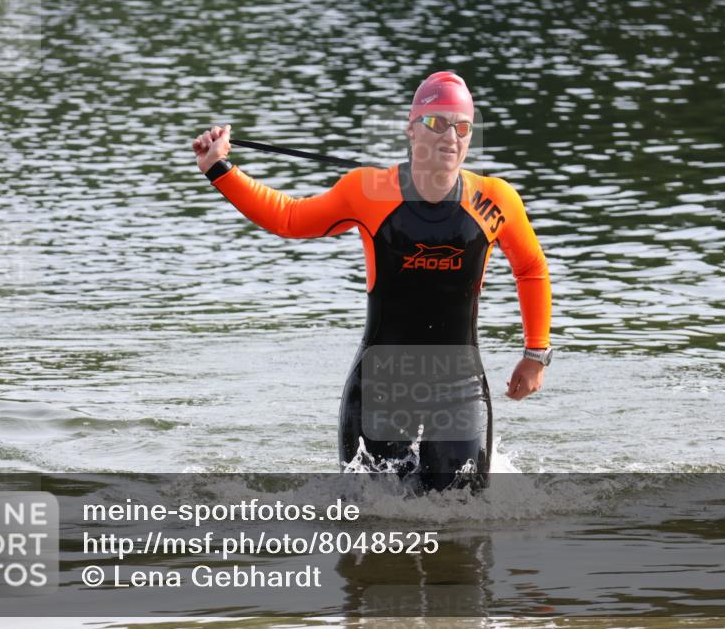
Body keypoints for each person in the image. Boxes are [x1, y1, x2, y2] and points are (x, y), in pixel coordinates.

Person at [193, 72, 551, 490]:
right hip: (380, 385)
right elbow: (289, 217)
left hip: (460, 385)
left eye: (462, 126)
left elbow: (531, 268)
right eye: (437, 123)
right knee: (373, 517)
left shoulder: (496, 199)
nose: (450, 137)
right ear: (411, 130)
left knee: (464, 516)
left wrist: (536, 354)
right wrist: (219, 168)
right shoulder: (368, 191)